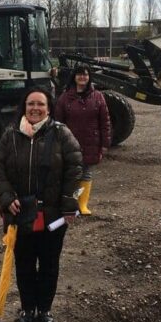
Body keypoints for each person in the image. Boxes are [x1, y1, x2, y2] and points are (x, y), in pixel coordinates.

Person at [0, 85, 82, 322]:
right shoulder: (10, 134)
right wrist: (6, 197)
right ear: (24, 107)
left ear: (49, 108)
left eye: (40, 104)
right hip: (20, 213)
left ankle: (44, 309)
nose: (35, 108)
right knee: (24, 264)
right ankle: (27, 309)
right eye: (31, 104)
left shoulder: (62, 135)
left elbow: (75, 170)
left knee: (49, 264)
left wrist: (69, 205)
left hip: (53, 215)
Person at [54, 64, 111, 215]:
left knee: (85, 173)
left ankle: (82, 204)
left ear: (89, 77)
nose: (82, 77)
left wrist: (105, 143)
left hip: (91, 141)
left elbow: (105, 122)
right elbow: (58, 123)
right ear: (74, 77)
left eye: (85, 74)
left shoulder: (98, 96)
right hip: (70, 143)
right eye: (79, 74)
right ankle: (69, 204)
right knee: (69, 174)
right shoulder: (64, 98)